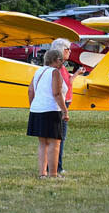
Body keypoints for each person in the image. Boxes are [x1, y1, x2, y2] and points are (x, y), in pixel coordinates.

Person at [27, 48, 69, 178]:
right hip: (51, 109)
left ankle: (42, 173)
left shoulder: (38, 71)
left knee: (42, 143)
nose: (63, 63)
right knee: (54, 142)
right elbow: (56, 93)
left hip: (36, 109)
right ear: (56, 60)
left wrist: (34, 105)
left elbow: (30, 91)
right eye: (61, 60)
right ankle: (53, 174)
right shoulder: (55, 72)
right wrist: (65, 110)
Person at [49, 38, 85, 173]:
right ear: (62, 51)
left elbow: (66, 83)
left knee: (56, 137)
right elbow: (61, 88)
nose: (70, 52)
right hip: (61, 105)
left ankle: (52, 166)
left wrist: (75, 74)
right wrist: (64, 110)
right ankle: (57, 167)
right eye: (68, 49)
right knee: (60, 137)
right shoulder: (58, 67)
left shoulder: (61, 66)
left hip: (62, 103)